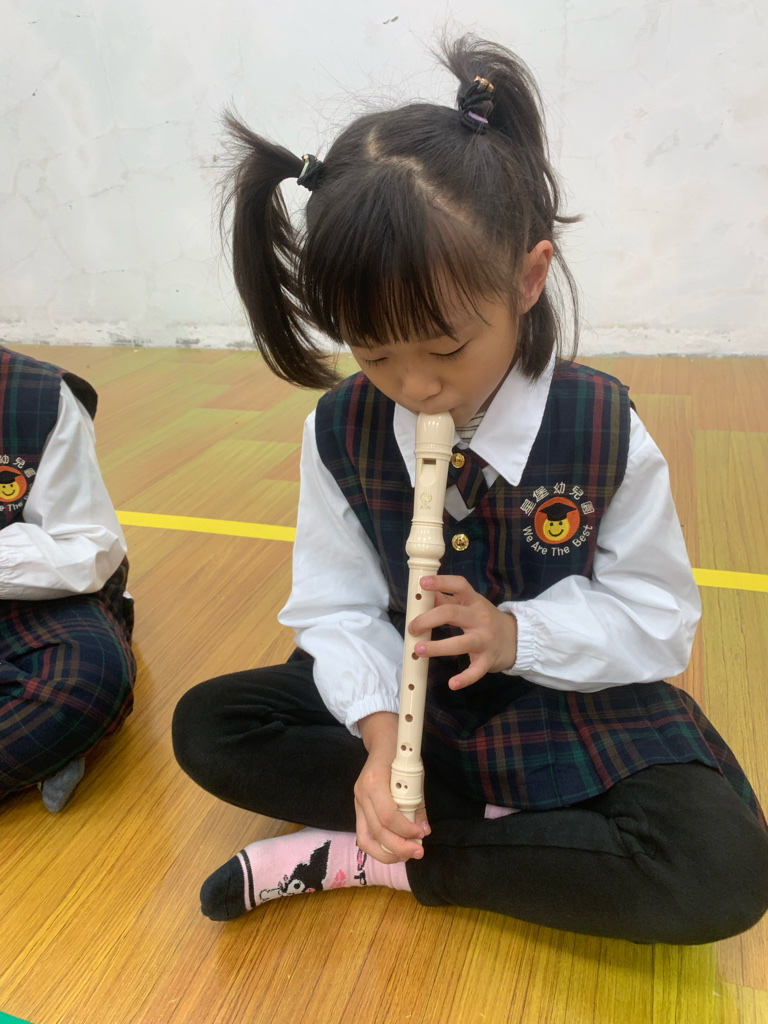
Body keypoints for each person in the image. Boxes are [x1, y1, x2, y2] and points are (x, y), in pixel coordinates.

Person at [172, 35, 768, 944]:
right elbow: (336, 609)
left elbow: (658, 619)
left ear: (528, 279)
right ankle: (489, 829)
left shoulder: (603, 425)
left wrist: (517, 633)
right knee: (211, 725)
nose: (415, 387)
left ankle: (382, 857)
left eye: (446, 346)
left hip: (559, 689)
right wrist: (382, 743)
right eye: (374, 353)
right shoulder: (339, 429)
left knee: (721, 867)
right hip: (407, 688)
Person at [0, 345, 135, 812]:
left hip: (25, 593)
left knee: (90, 678)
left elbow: (86, 545)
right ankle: (40, 752)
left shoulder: (40, 394)